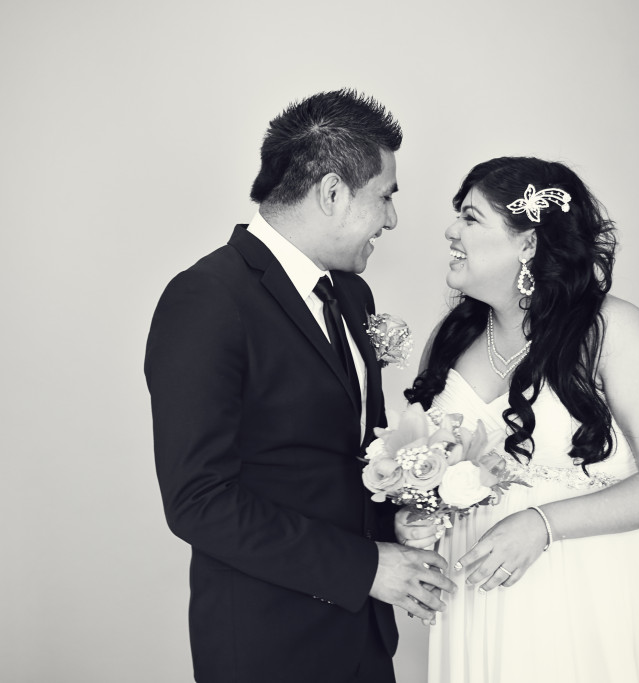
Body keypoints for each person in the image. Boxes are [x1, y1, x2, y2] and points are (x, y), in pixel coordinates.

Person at [144, 89, 456, 683]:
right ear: (333, 192)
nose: (392, 219)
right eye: (385, 195)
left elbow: (343, 458)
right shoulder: (208, 298)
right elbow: (198, 501)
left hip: (363, 636)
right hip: (269, 641)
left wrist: (395, 524)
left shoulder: (351, 294)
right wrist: (365, 567)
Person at [400, 157, 639, 683]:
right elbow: (433, 477)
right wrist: (414, 519)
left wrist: (541, 524)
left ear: (528, 243)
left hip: (585, 586)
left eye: (470, 218)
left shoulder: (613, 331)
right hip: (477, 594)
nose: (451, 231)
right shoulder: (451, 337)